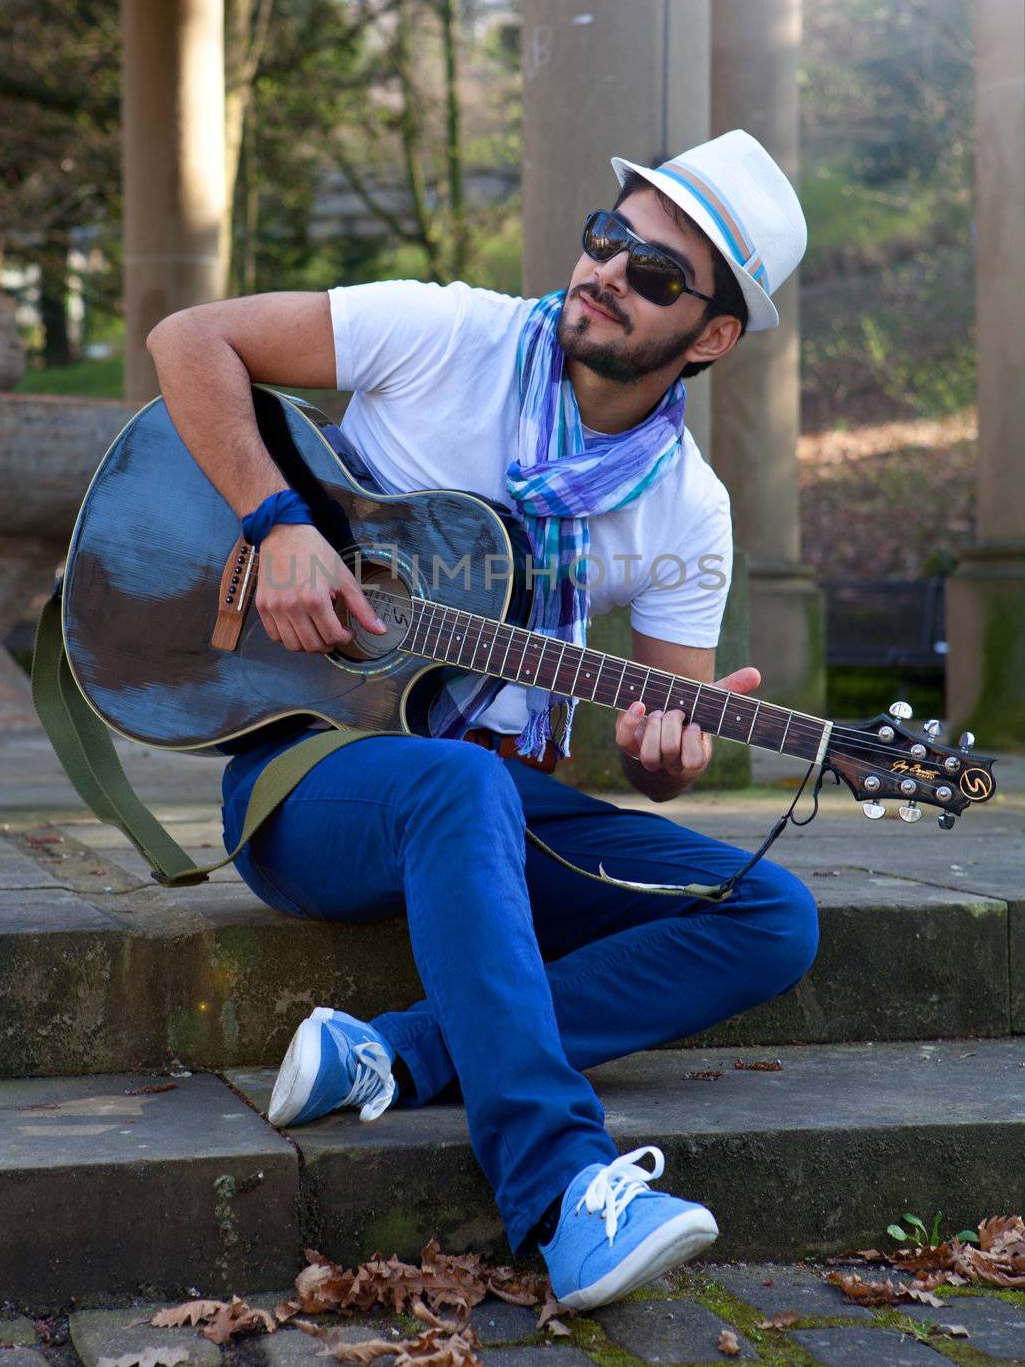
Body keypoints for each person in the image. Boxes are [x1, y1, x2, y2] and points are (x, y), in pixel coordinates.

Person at [147, 129, 820, 1311]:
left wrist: (667, 755)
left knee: (770, 915)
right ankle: (563, 1194)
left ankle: (396, 1051)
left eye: (654, 273)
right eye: (608, 238)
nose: (607, 269)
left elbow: (658, 736)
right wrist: (277, 524)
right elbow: (188, 339)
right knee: (462, 784)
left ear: (709, 337)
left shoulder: (685, 510)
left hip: (496, 801)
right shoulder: (446, 333)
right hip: (311, 776)